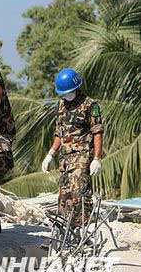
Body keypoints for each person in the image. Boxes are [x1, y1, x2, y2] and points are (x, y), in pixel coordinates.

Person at [42, 69, 103, 228]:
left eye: (69, 91)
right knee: (64, 197)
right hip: (65, 159)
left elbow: (97, 132)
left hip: (82, 156)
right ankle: (66, 231)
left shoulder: (90, 105)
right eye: (64, 92)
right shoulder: (61, 106)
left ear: (76, 87)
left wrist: (96, 158)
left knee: (79, 195)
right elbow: (58, 134)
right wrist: (50, 154)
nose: (67, 94)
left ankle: (83, 229)